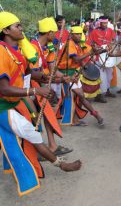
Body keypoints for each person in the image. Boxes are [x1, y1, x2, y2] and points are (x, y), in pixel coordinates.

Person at [0, 11, 81, 196]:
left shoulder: (16, 51)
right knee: (30, 132)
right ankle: (61, 165)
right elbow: (3, 89)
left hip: (15, 102)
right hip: (3, 105)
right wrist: (36, 91)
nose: (21, 28)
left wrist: (57, 79)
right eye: (17, 26)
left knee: (24, 134)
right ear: (5, 30)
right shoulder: (0, 52)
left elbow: (30, 74)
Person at [30, 17, 72, 156]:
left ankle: (52, 146)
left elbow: (53, 68)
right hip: (31, 88)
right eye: (54, 32)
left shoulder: (48, 47)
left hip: (42, 85)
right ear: (48, 33)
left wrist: (63, 77)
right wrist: (56, 79)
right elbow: (34, 74)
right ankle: (35, 151)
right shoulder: (32, 48)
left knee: (47, 114)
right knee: (34, 118)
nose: (55, 34)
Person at [56, 26, 104, 127]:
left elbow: (90, 52)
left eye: (80, 34)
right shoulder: (69, 44)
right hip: (65, 73)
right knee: (79, 95)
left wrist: (104, 50)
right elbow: (76, 59)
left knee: (79, 97)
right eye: (76, 34)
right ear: (71, 35)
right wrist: (89, 53)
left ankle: (82, 118)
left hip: (74, 73)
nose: (79, 36)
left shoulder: (78, 44)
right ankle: (94, 115)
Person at [90, 16, 117, 103]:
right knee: (102, 77)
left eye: (106, 23)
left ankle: (107, 91)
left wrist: (111, 45)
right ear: (100, 23)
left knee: (109, 76)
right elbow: (91, 43)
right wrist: (95, 50)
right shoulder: (94, 31)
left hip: (108, 55)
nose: (105, 24)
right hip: (99, 55)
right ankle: (99, 95)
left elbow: (114, 41)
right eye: (103, 23)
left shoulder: (110, 31)